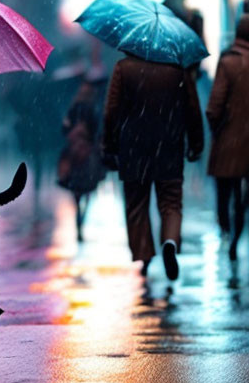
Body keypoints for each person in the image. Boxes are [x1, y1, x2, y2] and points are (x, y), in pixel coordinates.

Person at [102, 54, 203, 279]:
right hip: (169, 145)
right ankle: (170, 241)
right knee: (171, 203)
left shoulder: (123, 68)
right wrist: (196, 143)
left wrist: (109, 144)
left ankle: (144, 254)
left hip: (133, 147)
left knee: (137, 204)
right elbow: (192, 108)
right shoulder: (178, 68)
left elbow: (111, 110)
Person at [206, 15, 249, 261]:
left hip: (228, 139)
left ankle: (225, 227)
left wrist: (217, 129)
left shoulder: (229, 61)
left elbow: (215, 105)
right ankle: (237, 232)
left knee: (225, 189)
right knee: (243, 195)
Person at [57, 69, 107, 242]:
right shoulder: (89, 108)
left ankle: (80, 217)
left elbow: (65, 130)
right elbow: (96, 131)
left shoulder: (76, 108)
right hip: (85, 155)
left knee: (78, 190)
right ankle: (81, 217)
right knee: (85, 189)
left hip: (77, 154)